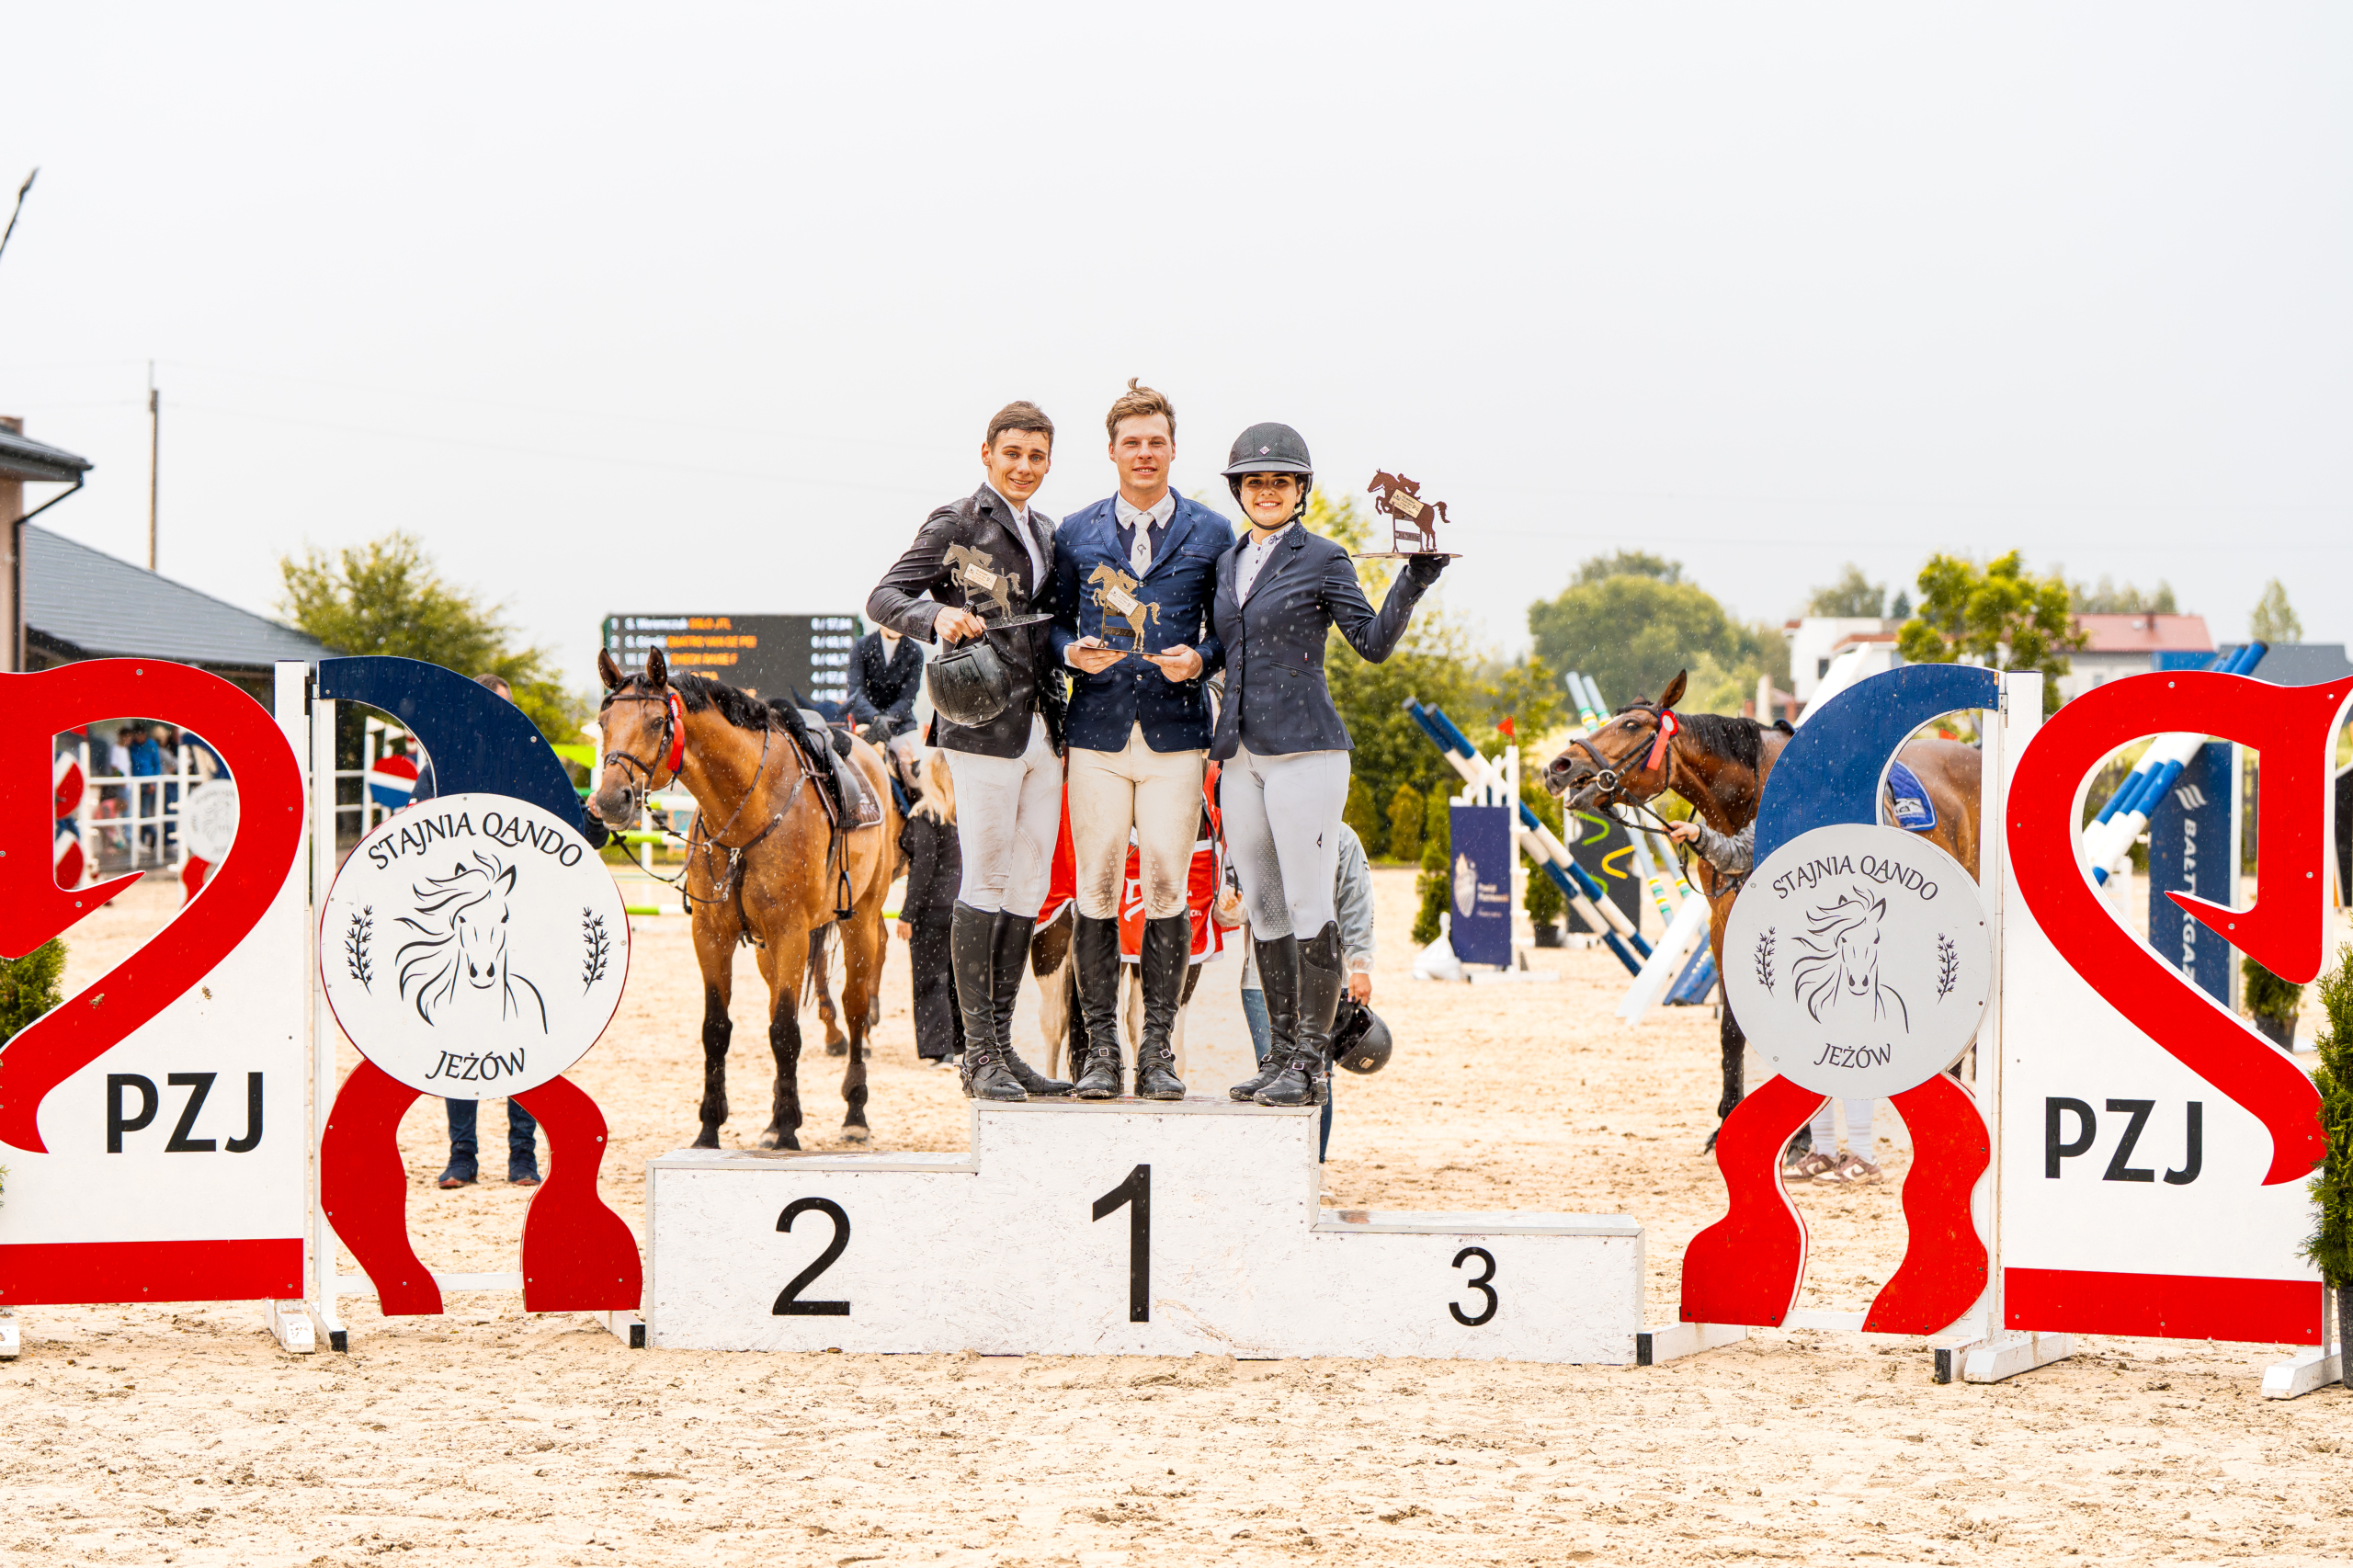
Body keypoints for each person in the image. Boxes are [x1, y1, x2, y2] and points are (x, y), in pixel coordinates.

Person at [1211, 423, 1445, 1108]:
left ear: (1300, 490)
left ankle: (1311, 1062)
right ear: (1240, 490)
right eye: (1256, 481)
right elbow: (1222, 645)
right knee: (1264, 908)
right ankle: (1281, 1053)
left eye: (1280, 481)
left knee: (1309, 902)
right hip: (1240, 753)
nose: (1267, 491)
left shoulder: (1323, 557)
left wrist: (1413, 581)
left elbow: (1371, 641)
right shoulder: (1226, 563)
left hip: (1306, 751)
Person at [866, 401, 1072, 1104]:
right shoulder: (956, 522)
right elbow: (884, 595)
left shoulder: (1048, 531)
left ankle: (1004, 1048)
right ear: (988, 454)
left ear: (1048, 462)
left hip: (1044, 727)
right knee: (984, 878)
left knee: (1028, 886)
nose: (1024, 466)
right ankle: (976, 1054)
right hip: (979, 723)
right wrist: (936, 614)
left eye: (1036, 456)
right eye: (1012, 453)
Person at [1049, 380, 1235, 1100]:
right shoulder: (1075, 532)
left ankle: (1156, 1050)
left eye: (1156, 441)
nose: (1145, 453)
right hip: (1096, 731)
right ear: (1112, 451)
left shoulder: (1211, 532)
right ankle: (1100, 1051)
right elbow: (1054, 624)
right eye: (1133, 442)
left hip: (1175, 734)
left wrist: (1202, 659)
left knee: (1165, 887)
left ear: (1173, 448)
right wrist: (1070, 653)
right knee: (1095, 887)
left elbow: (1226, 631)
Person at [418, 673, 542, 1189]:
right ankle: (462, 1156)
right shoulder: (439, 766)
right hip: (461, 921)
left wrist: (592, 823)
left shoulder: (533, 764)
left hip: (522, 915)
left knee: (525, 1036)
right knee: (459, 1033)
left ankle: (522, 1156)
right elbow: (416, 835)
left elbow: (569, 834)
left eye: (505, 708)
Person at [1236, 820, 1372, 1160]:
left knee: (1314, 1073)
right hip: (1260, 979)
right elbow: (1245, 904)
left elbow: (1356, 899)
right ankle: (1280, 1162)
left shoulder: (1341, 836)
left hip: (1321, 979)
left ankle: (1313, 1165)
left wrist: (1360, 965)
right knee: (1272, 1072)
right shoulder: (1255, 829)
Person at [894, 741, 965, 1068]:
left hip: (933, 908)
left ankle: (940, 1049)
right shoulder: (963, 812)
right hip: (963, 906)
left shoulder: (926, 814)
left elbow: (922, 868)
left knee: (929, 979)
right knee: (957, 980)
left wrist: (907, 914)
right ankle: (962, 1043)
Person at [848, 624, 924, 745]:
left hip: (900, 724)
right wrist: (875, 717)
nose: (895, 624)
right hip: (865, 722)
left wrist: (887, 718)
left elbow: (907, 697)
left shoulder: (915, 651)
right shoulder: (862, 646)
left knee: (916, 754)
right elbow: (855, 692)